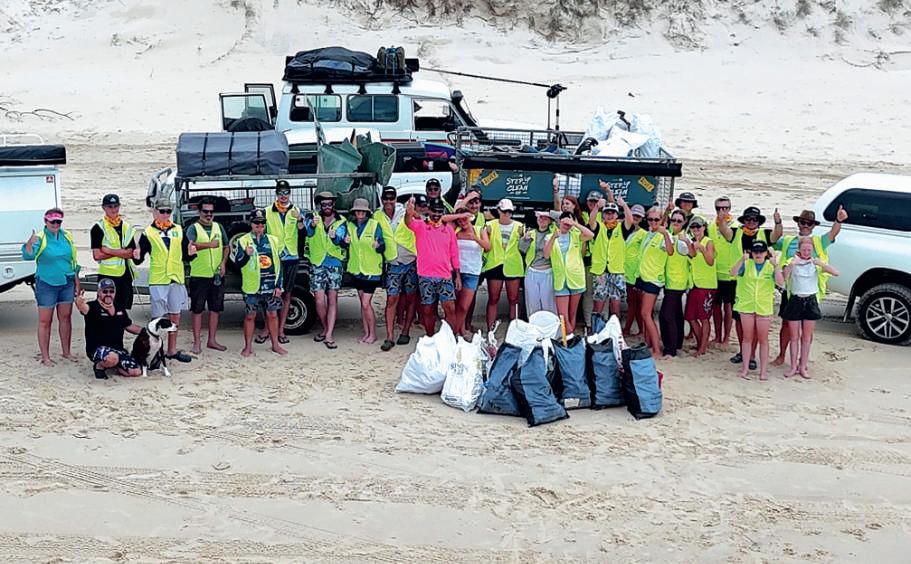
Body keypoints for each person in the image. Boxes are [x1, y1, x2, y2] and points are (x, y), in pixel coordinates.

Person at [771, 206, 848, 366]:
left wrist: (838, 220)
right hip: (790, 290)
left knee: (807, 328)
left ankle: (802, 360)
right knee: (786, 324)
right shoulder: (788, 241)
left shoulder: (819, 241)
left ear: (813, 226)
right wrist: (778, 223)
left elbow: (833, 233)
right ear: (798, 223)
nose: (805, 225)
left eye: (809, 223)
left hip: (812, 292)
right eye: (803, 222)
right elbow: (773, 240)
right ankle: (782, 355)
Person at [717, 206, 783, 369]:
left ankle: (752, 355)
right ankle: (743, 352)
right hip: (740, 281)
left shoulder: (764, 234)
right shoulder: (736, 232)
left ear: (759, 221)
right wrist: (722, 218)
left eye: (754, 219)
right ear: (744, 220)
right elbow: (724, 231)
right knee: (740, 320)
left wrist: (778, 222)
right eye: (748, 219)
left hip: (760, 283)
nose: (751, 222)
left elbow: (777, 235)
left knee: (757, 323)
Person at [133, 200, 192, 363]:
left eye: (168, 211)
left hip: (176, 277)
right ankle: (155, 353)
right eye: (162, 211)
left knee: (175, 314)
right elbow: (139, 258)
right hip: (159, 279)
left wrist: (192, 253)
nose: (165, 214)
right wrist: (136, 256)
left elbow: (187, 254)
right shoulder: (148, 232)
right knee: (157, 318)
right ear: (155, 211)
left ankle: (172, 350)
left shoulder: (178, 230)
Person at [21, 208, 80, 366]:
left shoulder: (66, 236)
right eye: (52, 221)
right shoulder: (40, 237)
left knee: (66, 318)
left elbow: (73, 261)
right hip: (47, 284)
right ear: (45, 221)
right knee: (45, 321)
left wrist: (77, 282)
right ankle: (45, 357)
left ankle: (66, 352)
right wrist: (29, 243)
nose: (55, 224)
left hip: (66, 282)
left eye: (58, 221)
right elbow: (28, 256)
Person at [782, 237, 840, 379]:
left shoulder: (815, 263)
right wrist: (792, 264)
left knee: (806, 337)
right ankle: (793, 366)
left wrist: (821, 264)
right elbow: (784, 277)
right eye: (804, 249)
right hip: (795, 300)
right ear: (799, 249)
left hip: (810, 300)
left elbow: (836, 273)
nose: (806, 252)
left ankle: (803, 366)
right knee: (794, 337)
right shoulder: (792, 261)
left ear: (812, 250)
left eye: (809, 250)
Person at [233, 209, 286, 357]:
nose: (260, 225)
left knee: (272, 315)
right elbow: (237, 264)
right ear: (251, 223)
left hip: (270, 284)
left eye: (262, 223)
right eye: (256, 223)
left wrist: (279, 285)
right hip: (252, 286)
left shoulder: (273, 240)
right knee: (250, 316)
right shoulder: (243, 240)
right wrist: (246, 255)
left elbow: (279, 263)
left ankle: (275, 345)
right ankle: (248, 347)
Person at [730, 241, 784, 381]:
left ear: (766, 253)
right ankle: (745, 369)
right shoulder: (746, 264)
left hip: (763, 307)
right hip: (747, 306)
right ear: (751, 253)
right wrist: (741, 259)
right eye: (755, 252)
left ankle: (763, 371)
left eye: (761, 251)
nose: (758, 254)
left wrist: (776, 266)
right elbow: (732, 273)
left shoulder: (770, 266)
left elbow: (780, 282)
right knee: (747, 339)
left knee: (763, 339)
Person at [406, 197, 460, 336]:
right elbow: (408, 222)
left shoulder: (448, 230)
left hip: (445, 275)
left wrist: (458, 276)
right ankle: (430, 337)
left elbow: (454, 253)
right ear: (429, 210)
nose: (436, 214)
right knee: (428, 309)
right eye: (434, 211)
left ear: (443, 212)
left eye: (439, 211)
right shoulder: (420, 225)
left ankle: (451, 338)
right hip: (425, 276)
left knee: (450, 309)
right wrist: (409, 212)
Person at [260, 180, 306, 345]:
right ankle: (267, 328)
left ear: (290, 193)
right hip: (274, 258)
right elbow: (261, 233)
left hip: (291, 257)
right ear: (276, 194)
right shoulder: (266, 211)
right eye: (280, 193)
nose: (283, 196)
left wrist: (300, 220)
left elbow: (303, 233)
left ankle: (280, 330)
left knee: (287, 294)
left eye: (286, 192)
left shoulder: (297, 210)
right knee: (270, 294)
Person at [339, 198, 386, 345]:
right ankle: (366, 333)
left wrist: (378, 245)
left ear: (367, 212)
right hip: (357, 270)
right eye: (358, 211)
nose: (360, 213)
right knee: (362, 304)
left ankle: (373, 334)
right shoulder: (350, 225)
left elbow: (382, 246)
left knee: (366, 304)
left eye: (363, 211)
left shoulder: (374, 225)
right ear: (354, 212)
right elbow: (343, 243)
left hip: (371, 271)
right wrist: (344, 241)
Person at [375, 187, 417, 352]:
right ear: (382, 199)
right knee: (391, 299)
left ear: (396, 198)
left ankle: (405, 331)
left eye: (391, 198)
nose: (388, 201)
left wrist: (412, 209)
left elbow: (420, 223)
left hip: (410, 259)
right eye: (385, 198)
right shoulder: (377, 215)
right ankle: (389, 336)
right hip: (393, 262)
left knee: (411, 298)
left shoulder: (405, 211)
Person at [74, 278, 142, 379]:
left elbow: (129, 326)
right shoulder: (92, 307)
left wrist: (147, 331)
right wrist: (79, 301)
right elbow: (82, 307)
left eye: (111, 291)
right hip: (97, 349)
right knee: (112, 358)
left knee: (136, 372)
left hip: (118, 349)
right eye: (105, 291)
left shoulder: (119, 307)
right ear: (98, 292)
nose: (108, 294)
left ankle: (116, 366)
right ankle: (99, 366)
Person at [303, 192, 346, 350]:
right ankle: (326, 327)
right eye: (324, 204)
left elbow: (342, 241)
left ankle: (328, 334)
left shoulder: (341, 221)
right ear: (320, 205)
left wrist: (336, 238)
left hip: (334, 263)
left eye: (329, 204)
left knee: (333, 299)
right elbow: (308, 232)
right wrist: (313, 225)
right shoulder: (313, 218)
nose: (327, 207)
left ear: (334, 204)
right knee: (319, 300)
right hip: (317, 262)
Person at [185, 197, 229, 355]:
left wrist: (223, 263)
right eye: (205, 211)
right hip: (199, 275)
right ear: (199, 212)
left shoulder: (218, 227)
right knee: (197, 310)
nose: (208, 214)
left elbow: (226, 246)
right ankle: (197, 343)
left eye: (211, 212)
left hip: (216, 274)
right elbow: (189, 247)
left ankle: (212, 340)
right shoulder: (193, 228)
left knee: (215, 309)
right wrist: (208, 245)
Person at [544, 212, 595, 334]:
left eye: (569, 223)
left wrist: (575, 224)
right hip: (560, 280)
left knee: (572, 313)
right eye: (565, 222)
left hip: (575, 278)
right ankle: (570, 334)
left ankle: (569, 338)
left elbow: (591, 235)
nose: (567, 225)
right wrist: (553, 237)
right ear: (559, 221)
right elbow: (546, 255)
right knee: (563, 315)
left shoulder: (576, 235)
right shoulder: (550, 236)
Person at [588, 196, 637, 322]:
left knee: (615, 306)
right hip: (601, 271)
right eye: (607, 213)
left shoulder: (622, 228)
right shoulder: (599, 227)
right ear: (603, 215)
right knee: (598, 306)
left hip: (616, 271)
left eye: (612, 213)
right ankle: (596, 330)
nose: (610, 216)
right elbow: (591, 221)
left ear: (617, 215)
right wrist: (597, 207)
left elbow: (630, 220)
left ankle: (615, 330)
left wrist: (624, 205)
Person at [636, 207, 674, 358]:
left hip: (653, 279)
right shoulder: (649, 233)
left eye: (656, 219)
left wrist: (665, 234)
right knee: (646, 314)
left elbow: (670, 251)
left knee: (645, 314)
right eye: (650, 219)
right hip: (643, 276)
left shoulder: (663, 235)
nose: (653, 222)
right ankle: (649, 344)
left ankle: (657, 349)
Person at [483, 198, 525, 329]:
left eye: (510, 211)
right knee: (493, 298)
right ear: (499, 211)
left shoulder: (520, 226)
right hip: (495, 264)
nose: (507, 214)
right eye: (505, 211)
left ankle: (514, 329)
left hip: (513, 265)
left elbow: (524, 247)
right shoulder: (490, 225)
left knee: (513, 299)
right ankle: (490, 329)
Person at [90, 194, 136, 310]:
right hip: (107, 275)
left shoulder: (126, 227)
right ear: (103, 208)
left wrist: (109, 250)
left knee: (122, 310)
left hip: (125, 275)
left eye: (116, 206)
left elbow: (131, 253)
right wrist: (122, 252)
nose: (113, 209)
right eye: (110, 206)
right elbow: (97, 255)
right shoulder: (98, 228)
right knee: (105, 309)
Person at [452, 207, 490, 336]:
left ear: (470, 218)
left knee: (464, 306)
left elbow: (487, 247)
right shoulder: (455, 232)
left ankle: (455, 332)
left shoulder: (479, 229)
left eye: (464, 219)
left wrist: (475, 238)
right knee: (457, 304)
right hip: (457, 272)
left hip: (473, 272)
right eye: (459, 220)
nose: (462, 223)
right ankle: (461, 331)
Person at [659, 209, 692, 357]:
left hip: (677, 282)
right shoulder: (673, 235)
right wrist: (666, 213)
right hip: (671, 280)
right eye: (674, 220)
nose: (676, 223)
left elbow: (688, 252)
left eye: (679, 221)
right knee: (677, 313)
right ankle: (677, 343)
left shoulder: (683, 238)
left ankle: (670, 349)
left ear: (684, 222)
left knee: (666, 315)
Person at [684, 215, 717, 357]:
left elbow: (710, 261)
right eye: (693, 227)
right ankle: (700, 343)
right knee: (690, 317)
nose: (696, 229)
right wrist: (688, 242)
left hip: (707, 285)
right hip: (695, 284)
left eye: (698, 226)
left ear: (704, 227)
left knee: (704, 318)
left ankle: (702, 348)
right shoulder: (693, 242)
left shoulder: (708, 241)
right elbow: (691, 255)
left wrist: (702, 248)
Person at [708, 196, 737, 348]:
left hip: (730, 273)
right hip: (714, 272)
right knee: (715, 306)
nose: (722, 211)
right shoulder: (711, 226)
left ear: (729, 208)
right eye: (719, 208)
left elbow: (730, 237)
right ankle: (717, 336)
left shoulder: (736, 225)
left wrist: (722, 222)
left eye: (725, 208)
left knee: (728, 307)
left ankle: (726, 338)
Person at [519, 210, 557, 316]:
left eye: (545, 218)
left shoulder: (554, 233)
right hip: (532, 271)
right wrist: (525, 239)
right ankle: (533, 325)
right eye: (540, 217)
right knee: (532, 304)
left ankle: (550, 325)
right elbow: (522, 249)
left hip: (548, 271)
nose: (542, 220)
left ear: (550, 221)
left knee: (548, 304)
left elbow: (560, 218)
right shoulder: (531, 233)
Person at [580, 189, 605, 327]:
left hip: (602, 261)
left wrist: (608, 191)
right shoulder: (583, 215)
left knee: (602, 294)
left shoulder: (605, 215)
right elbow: (590, 225)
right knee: (588, 293)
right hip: (588, 259)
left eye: (596, 201)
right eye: (591, 201)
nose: (593, 203)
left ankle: (602, 322)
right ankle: (589, 323)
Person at [622, 204, 648, 336]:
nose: (636, 217)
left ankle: (627, 329)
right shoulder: (627, 231)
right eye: (634, 215)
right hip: (627, 272)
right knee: (635, 303)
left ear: (642, 218)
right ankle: (641, 330)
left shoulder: (644, 234)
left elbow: (643, 255)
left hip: (636, 274)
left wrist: (639, 274)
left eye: (638, 216)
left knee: (634, 304)